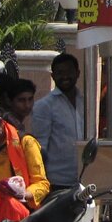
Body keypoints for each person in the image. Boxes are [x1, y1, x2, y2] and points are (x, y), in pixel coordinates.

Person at [31, 53, 85, 189]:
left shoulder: (85, 102)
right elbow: (39, 148)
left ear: (77, 73)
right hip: (56, 182)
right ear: (53, 76)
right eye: (60, 73)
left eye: (69, 72)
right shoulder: (44, 106)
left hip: (83, 180)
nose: (65, 76)